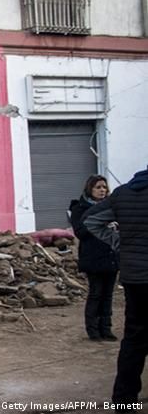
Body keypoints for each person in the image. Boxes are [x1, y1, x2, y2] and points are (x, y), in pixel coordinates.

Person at [84, 165, 148, 406]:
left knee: (134, 338)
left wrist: (120, 244)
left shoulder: (122, 194)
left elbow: (90, 221)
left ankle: (124, 399)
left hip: (134, 278)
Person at [68, 174, 118, 341]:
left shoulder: (111, 208)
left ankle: (106, 328)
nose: (102, 190)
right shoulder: (80, 209)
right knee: (96, 293)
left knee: (108, 295)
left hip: (110, 256)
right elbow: (80, 232)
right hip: (93, 258)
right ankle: (93, 330)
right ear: (90, 189)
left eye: (104, 187)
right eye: (98, 187)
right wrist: (98, 223)